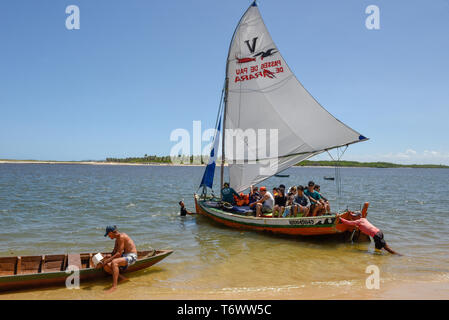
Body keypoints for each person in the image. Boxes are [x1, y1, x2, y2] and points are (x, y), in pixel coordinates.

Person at [99, 225, 138, 293]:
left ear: (111, 232)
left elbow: (119, 254)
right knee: (106, 266)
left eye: (108, 234)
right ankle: (122, 278)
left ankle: (114, 287)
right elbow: (114, 253)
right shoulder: (117, 239)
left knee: (114, 262)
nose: (108, 236)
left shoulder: (121, 237)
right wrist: (105, 257)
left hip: (131, 256)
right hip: (124, 255)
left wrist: (108, 260)